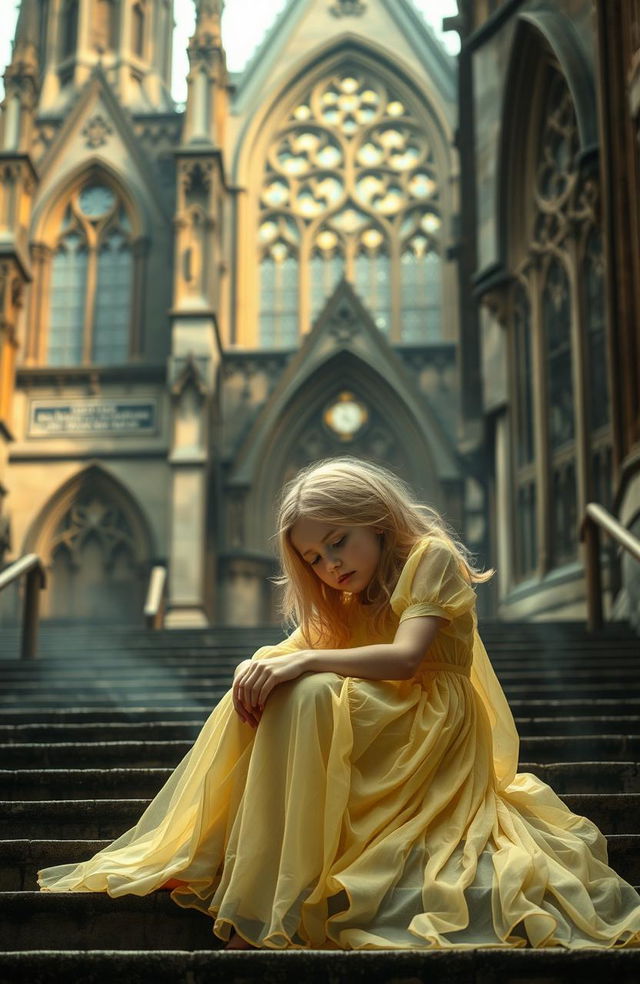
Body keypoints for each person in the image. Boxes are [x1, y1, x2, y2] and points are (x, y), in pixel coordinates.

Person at [38, 456, 640, 950]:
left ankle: (270, 889)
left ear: (377, 519)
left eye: (337, 544)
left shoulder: (429, 558)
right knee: (273, 679)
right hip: (388, 720)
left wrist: (301, 662)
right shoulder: (346, 597)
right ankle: (222, 858)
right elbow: (299, 647)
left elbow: (406, 660)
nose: (330, 567)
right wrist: (262, 663)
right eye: (314, 560)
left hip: (432, 724)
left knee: (310, 685)